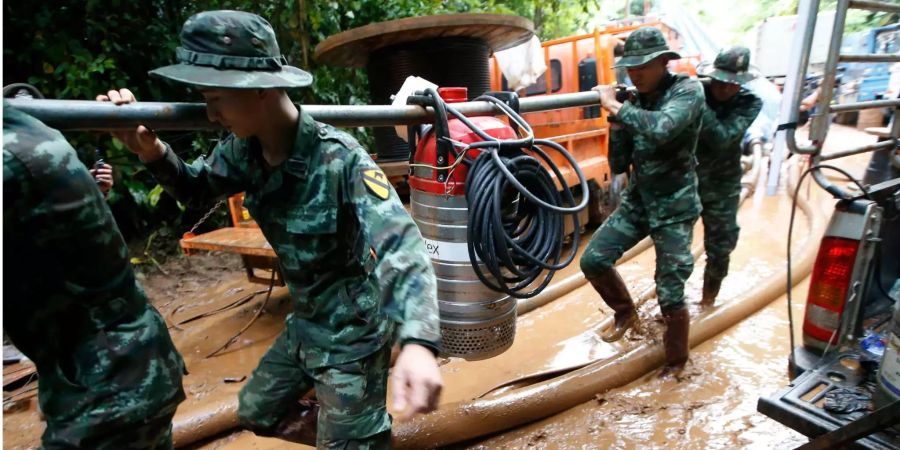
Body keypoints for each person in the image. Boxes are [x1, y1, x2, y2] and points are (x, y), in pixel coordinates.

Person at [98, 10, 442, 448]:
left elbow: (401, 246)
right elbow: (197, 189)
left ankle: (357, 434)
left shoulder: (339, 159)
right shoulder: (243, 152)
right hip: (306, 326)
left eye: (215, 98)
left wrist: (417, 341)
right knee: (256, 410)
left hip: (353, 336)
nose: (210, 114)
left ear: (258, 89)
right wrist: (150, 150)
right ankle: (354, 434)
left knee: (350, 439)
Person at [3, 101, 185, 449]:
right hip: (114, 368)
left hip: (108, 380)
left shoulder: (13, 154)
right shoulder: (34, 139)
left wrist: (153, 152)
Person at [581, 27, 705, 378]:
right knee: (593, 259)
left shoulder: (686, 90)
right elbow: (619, 163)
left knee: (669, 289)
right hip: (639, 201)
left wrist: (617, 107)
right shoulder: (634, 100)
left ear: (664, 62)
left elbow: (664, 127)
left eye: (643, 65)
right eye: (630, 67)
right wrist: (616, 121)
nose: (634, 73)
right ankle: (625, 312)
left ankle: (677, 362)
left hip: (675, 206)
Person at [695, 47, 763, 307]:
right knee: (673, 247)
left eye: (733, 84)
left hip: (722, 184)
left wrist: (697, 103)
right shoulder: (695, 91)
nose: (725, 89)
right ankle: (672, 306)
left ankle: (707, 302)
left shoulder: (749, 102)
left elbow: (722, 137)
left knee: (721, 245)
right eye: (721, 81)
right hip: (686, 181)